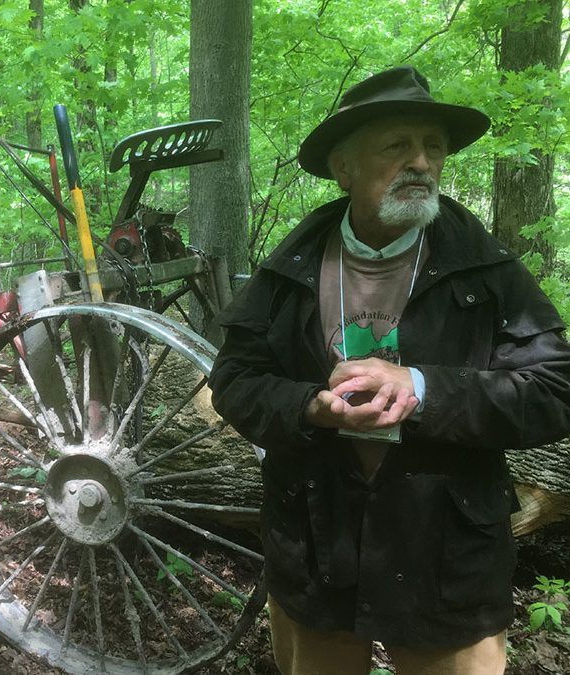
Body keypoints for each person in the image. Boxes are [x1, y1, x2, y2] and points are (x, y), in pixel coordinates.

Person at [208, 65, 570, 675]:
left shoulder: (485, 269)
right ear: (344, 169)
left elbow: (557, 389)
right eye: (397, 145)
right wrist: (308, 408)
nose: (422, 162)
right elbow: (235, 381)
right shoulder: (289, 269)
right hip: (316, 539)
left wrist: (423, 388)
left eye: (433, 146)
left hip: (445, 548)